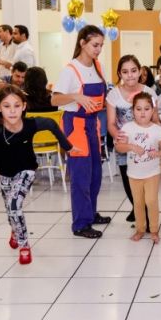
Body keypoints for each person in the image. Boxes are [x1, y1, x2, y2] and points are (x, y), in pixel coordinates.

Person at [0, 86, 74, 264]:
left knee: (14, 204)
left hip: (26, 170)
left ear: (24, 106)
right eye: (7, 106)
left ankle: (24, 245)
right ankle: (14, 229)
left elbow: (51, 124)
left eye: (17, 106)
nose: (12, 111)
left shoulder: (31, 124)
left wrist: (69, 147)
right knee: (10, 209)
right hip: (3, 174)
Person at [51, 25, 111, 239]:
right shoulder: (70, 70)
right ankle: (80, 223)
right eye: (95, 45)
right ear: (82, 43)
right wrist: (76, 96)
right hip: (75, 125)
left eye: (101, 45)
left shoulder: (98, 67)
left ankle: (91, 213)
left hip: (93, 124)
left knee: (95, 172)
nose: (98, 49)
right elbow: (55, 99)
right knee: (80, 175)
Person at [107, 55, 160, 223]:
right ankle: (139, 211)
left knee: (148, 181)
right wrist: (118, 137)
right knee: (130, 183)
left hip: (147, 144)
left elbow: (156, 118)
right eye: (125, 71)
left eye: (133, 71)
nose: (130, 75)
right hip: (125, 145)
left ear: (140, 72)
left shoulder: (149, 92)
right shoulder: (113, 95)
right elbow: (111, 123)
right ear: (119, 74)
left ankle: (144, 214)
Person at [115, 92, 161, 243]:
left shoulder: (157, 129)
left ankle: (154, 230)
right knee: (137, 203)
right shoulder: (127, 127)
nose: (143, 112)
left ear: (152, 110)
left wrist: (158, 153)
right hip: (133, 174)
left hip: (152, 173)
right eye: (138, 109)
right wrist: (130, 146)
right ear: (132, 111)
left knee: (151, 201)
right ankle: (140, 229)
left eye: (147, 108)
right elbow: (119, 147)